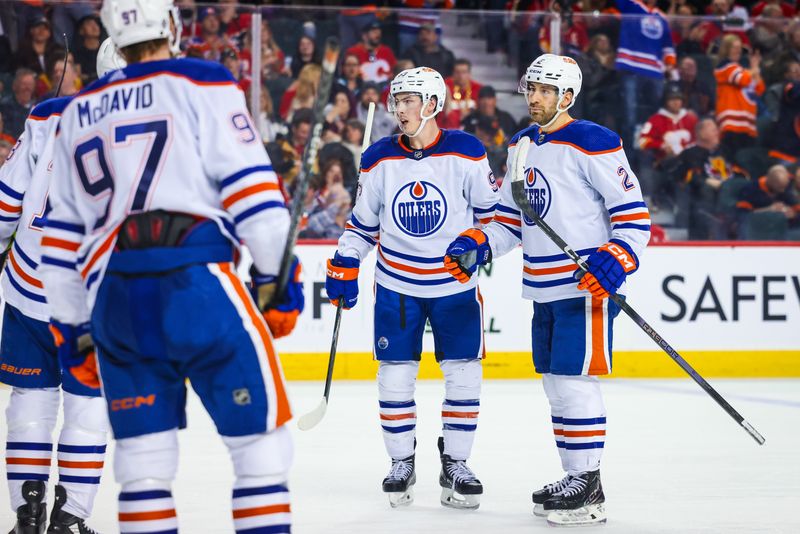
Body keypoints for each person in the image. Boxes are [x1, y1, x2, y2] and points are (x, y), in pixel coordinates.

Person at [39, 2, 303, 533]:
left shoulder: (76, 111)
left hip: (115, 302)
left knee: (141, 469)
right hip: (196, 285)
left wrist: (74, 332)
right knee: (260, 449)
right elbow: (256, 198)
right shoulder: (201, 80)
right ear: (171, 27)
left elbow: (60, 241)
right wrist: (277, 282)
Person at [443, 54, 650, 527]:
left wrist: (617, 258)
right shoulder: (520, 144)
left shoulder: (593, 141)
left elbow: (632, 216)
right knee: (557, 385)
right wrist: (480, 242)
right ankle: (574, 474)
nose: (533, 96)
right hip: (541, 287)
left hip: (584, 286)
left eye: (543, 89)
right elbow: (511, 220)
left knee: (576, 384)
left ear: (567, 96)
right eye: (530, 87)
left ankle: (589, 482)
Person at [325, 66, 499, 510]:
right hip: (397, 285)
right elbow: (362, 226)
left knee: (464, 375)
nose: (398, 108)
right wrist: (346, 259)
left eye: (408, 100)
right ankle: (402, 461)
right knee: (395, 375)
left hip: (455, 286)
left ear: (433, 105)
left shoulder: (467, 151)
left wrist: (479, 243)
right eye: (396, 100)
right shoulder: (379, 156)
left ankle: (456, 464)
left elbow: (494, 218)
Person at [0, 37, 125, 534]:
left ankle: (27, 517)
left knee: (30, 403)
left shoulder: (46, 116)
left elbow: (6, 201)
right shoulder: (162, 131)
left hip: (29, 288)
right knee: (88, 407)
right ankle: (69, 517)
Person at [714, 34, 764, 158]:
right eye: (734, 47)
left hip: (747, 124)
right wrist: (754, 70)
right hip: (731, 123)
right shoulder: (725, 66)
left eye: (739, 48)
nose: (738, 50)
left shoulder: (743, 70)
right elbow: (741, 79)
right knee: (732, 159)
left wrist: (754, 67)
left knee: (745, 161)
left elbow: (759, 88)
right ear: (726, 49)